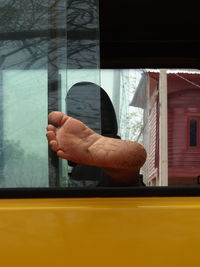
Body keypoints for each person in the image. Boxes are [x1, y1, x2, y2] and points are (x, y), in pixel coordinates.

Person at [46, 111, 147, 186]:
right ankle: (126, 177)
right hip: (130, 200)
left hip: (84, 203)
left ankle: (124, 177)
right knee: (125, 187)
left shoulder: (81, 173)